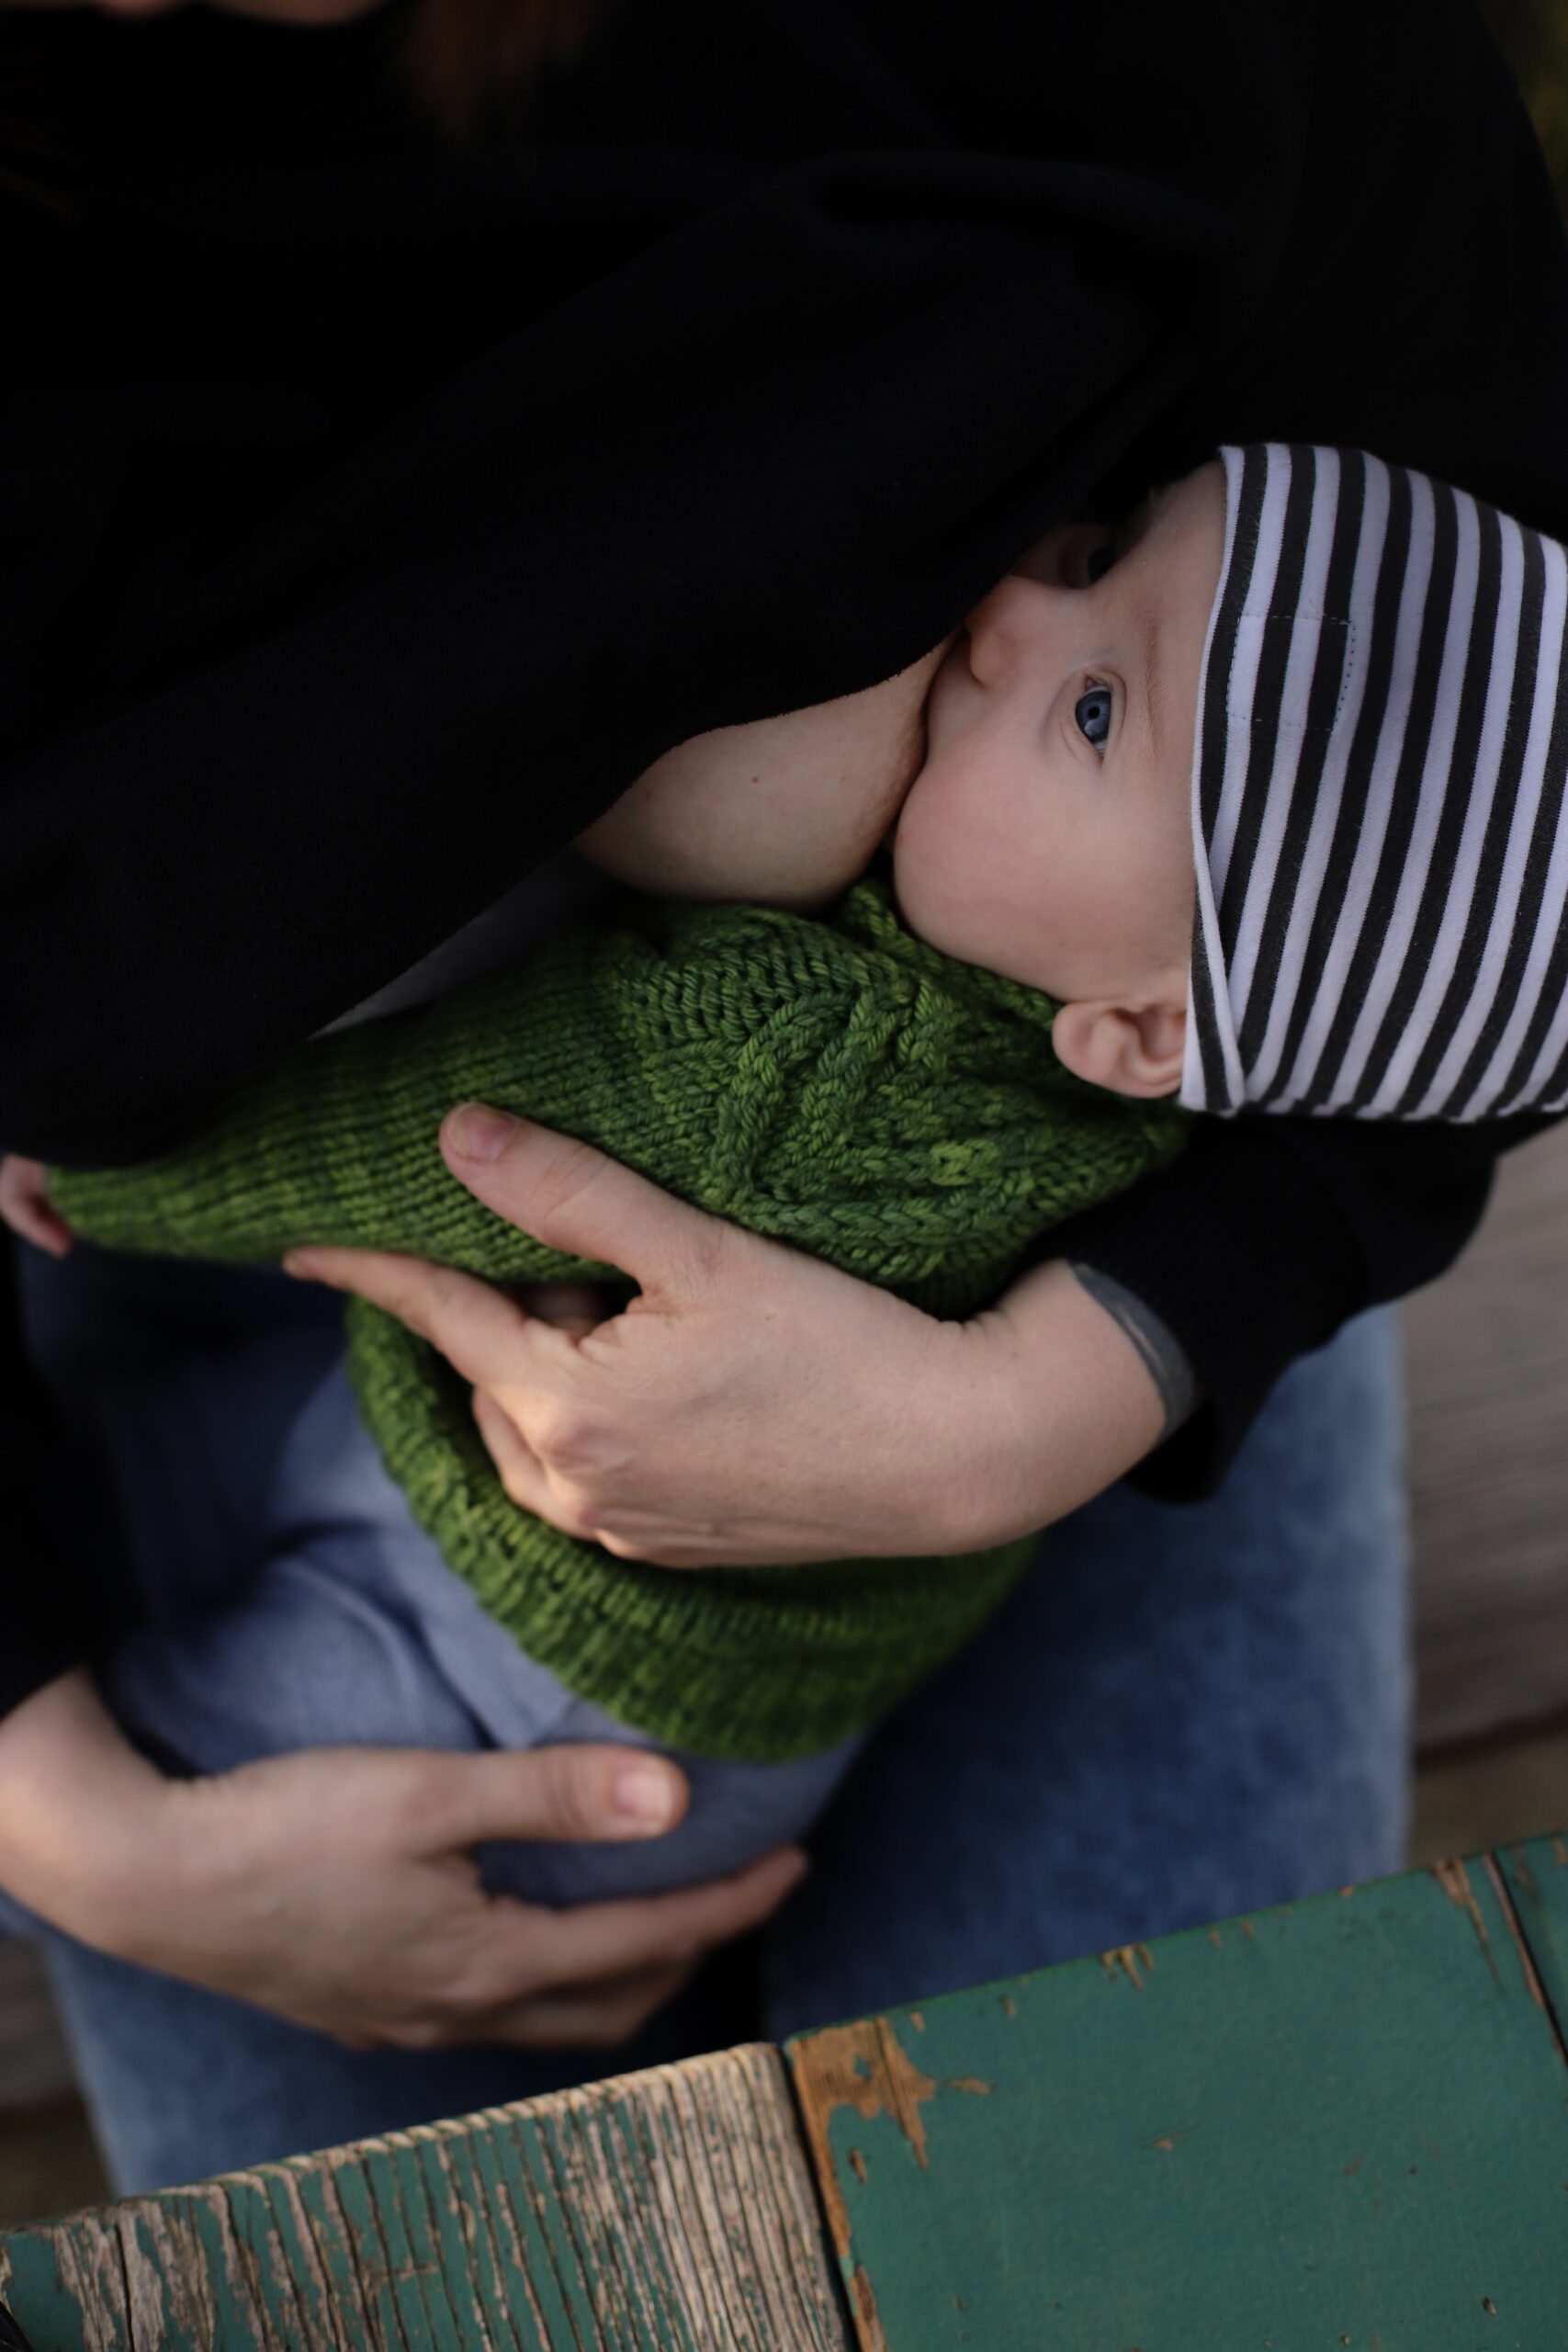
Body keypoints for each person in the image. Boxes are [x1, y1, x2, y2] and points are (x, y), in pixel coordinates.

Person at [1, 0, 1563, 2191]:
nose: (1013, 614)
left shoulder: (1214, 90)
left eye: (1090, 582)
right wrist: (58, 1801)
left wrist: (1055, 1389)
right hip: (258, 1371)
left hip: (1105, 1294)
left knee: (1120, 2224)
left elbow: (1491, 822)